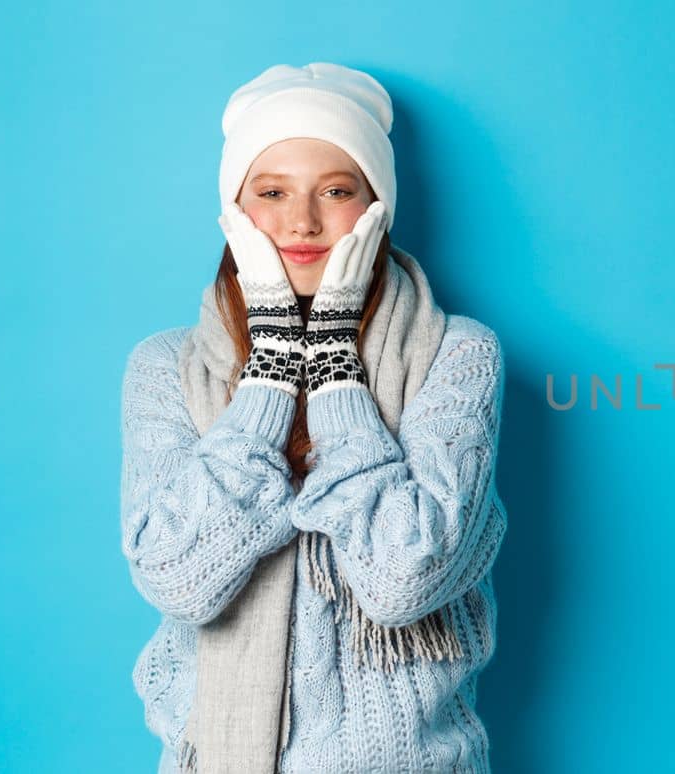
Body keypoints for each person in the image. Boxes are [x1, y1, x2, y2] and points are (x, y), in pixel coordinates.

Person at [119, 62, 508, 772]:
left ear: (376, 207)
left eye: (336, 190)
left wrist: (333, 362)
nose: (301, 221)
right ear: (234, 209)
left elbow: (402, 583)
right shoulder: (165, 367)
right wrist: (271, 370)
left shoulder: (457, 353)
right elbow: (177, 579)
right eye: (271, 192)